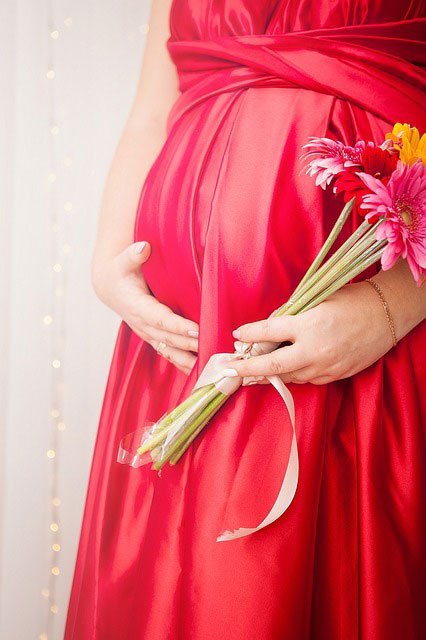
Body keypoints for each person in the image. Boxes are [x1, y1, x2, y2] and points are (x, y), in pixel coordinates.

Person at [64, 1, 426, 638]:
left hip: (366, 346)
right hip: (179, 346)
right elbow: (158, 105)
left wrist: (391, 308)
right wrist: (107, 260)